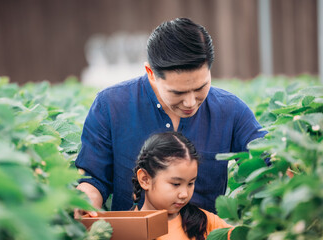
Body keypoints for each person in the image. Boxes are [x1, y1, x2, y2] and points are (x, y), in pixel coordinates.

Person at [75, 17, 266, 213]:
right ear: (151, 73)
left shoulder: (231, 110)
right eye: (178, 92)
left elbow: (265, 157)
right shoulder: (110, 106)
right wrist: (86, 203)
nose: (191, 102)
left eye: (200, 88)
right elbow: (93, 179)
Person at [131, 131, 232, 240]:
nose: (184, 194)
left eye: (190, 183)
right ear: (145, 179)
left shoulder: (206, 223)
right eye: (176, 184)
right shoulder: (127, 230)